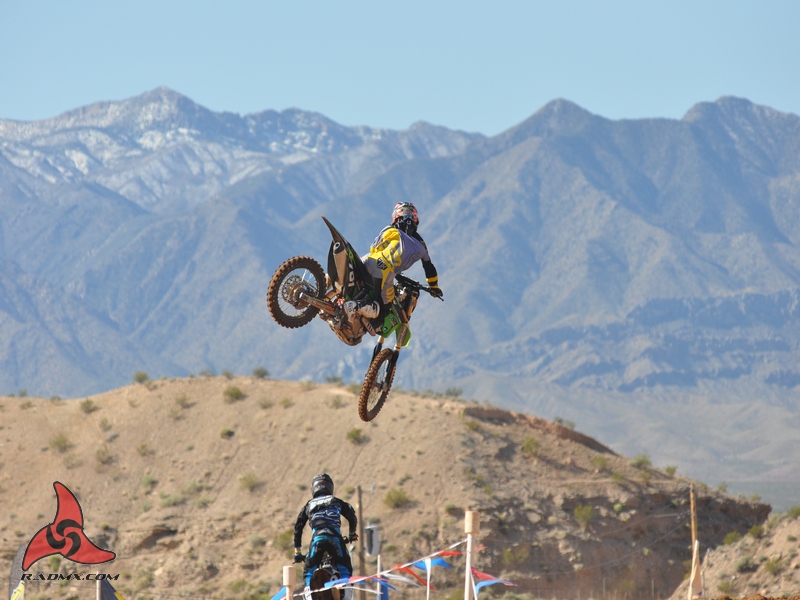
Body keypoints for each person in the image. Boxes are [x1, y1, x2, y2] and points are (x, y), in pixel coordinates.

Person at [344, 202, 443, 322]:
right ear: (415, 219)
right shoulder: (420, 245)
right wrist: (434, 287)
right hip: (385, 271)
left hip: (369, 259)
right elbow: (429, 267)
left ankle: (327, 281)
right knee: (384, 309)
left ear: (396, 216)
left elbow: (374, 246)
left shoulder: (388, 229)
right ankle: (355, 307)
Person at [293, 474, 358, 594]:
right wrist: (352, 534)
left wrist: (297, 552)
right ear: (330, 487)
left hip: (317, 539)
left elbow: (298, 527)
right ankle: (347, 593)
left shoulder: (309, 505)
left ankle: (308, 594)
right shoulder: (336, 501)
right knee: (345, 567)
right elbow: (352, 517)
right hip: (335, 539)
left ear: (314, 488)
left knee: (309, 571)